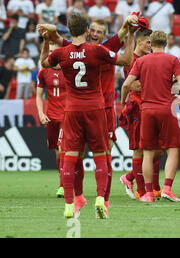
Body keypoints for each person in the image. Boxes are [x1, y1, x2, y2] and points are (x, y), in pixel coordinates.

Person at [39, 13, 135, 219]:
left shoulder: (62, 52)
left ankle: (69, 203)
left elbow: (44, 63)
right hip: (96, 108)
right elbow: (127, 59)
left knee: (70, 157)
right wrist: (132, 34)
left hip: (72, 110)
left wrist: (46, 40)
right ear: (87, 31)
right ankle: (100, 198)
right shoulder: (97, 51)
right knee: (101, 156)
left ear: (69, 29)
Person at [121, 30, 180, 203]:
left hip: (147, 110)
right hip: (166, 109)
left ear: (151, 44)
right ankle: (167, 189)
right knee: (172, 149)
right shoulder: (172, 60)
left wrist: (122, 102)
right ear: (165, 43)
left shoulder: (141, 61)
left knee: (147, 153)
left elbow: (126, 84)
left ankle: (148, 193)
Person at [119, 28, 156, 201]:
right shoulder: (131, 60)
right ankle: (142, 190)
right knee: (140, 150)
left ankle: (129, 177)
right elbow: (134, 86)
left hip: (148, 106)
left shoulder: (145, 59)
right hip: (137, 107)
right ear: (139, 42)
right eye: (148, 42)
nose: (151, 45)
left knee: (156, 151)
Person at [36, 43, 66, 198]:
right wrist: (41, 113)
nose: (54, 55)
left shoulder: (69, 70)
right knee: (57, 150)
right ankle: (64, 181)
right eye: (51, 52)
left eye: (56, 52)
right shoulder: (43, 72)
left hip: (67, 117)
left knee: (63, 149)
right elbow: (39, 96)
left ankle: (63, 186)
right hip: (51, 116)